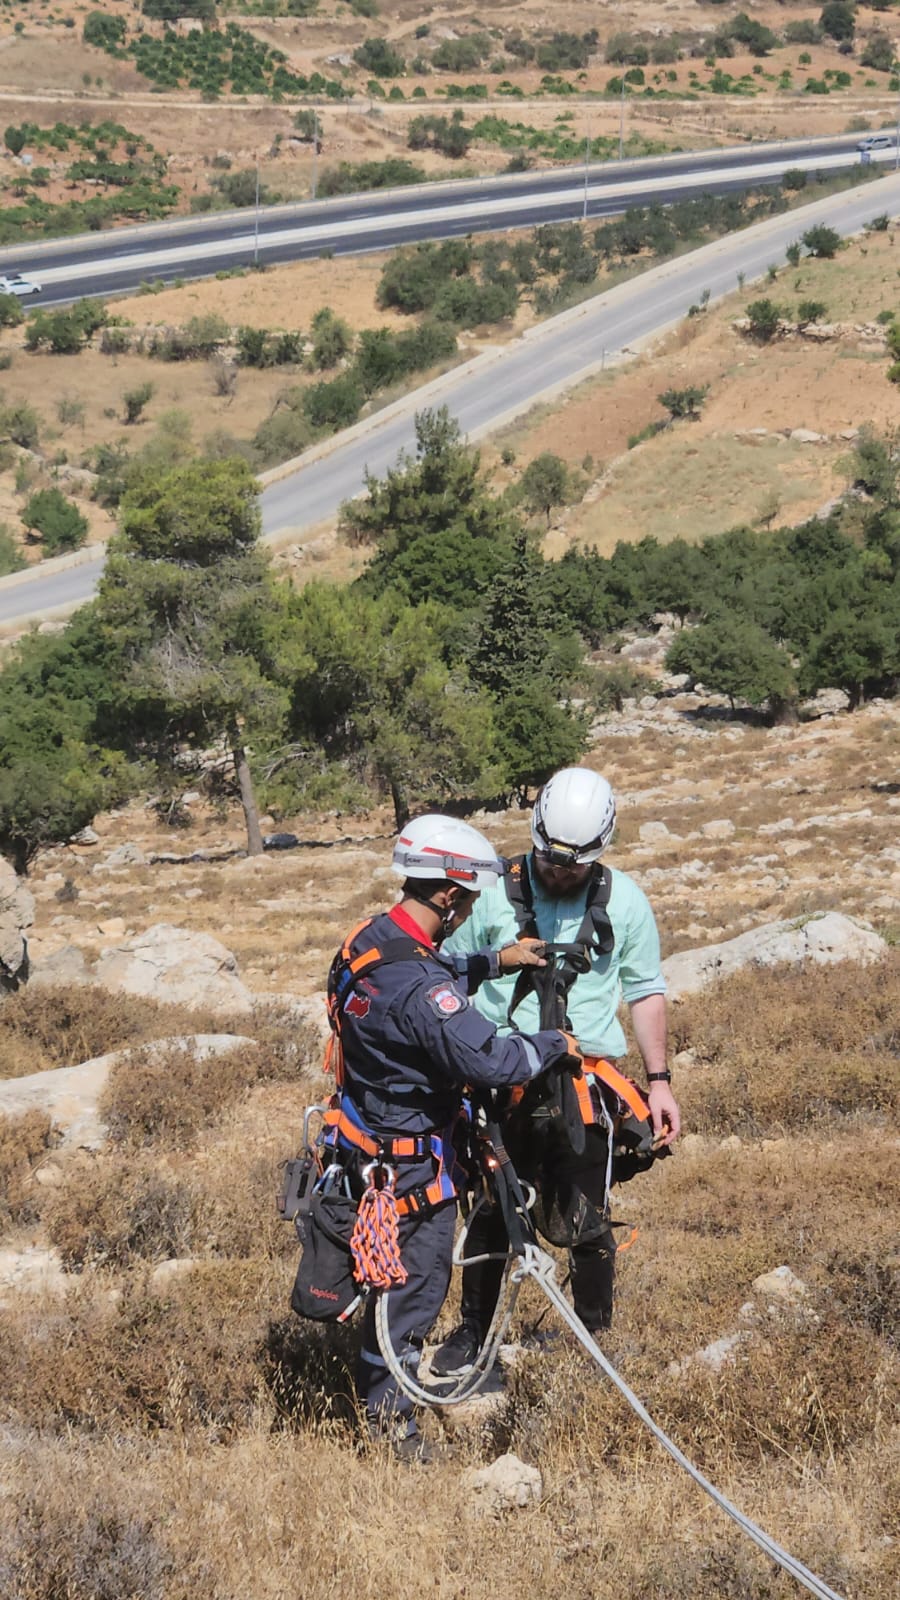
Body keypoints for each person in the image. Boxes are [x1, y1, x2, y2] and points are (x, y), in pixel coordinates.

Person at [324, 812, 580, 1461]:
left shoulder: (368, 941)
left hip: (365, 1145)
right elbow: (490, 1057)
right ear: (450, 894)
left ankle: (385, 1408)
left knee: (388, 1286)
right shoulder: (418, 983)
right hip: (410, 1171)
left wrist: (497, 960)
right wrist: (553, 1044)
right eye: (465, 902)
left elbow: (422, 977)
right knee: (409, 1296)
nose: (465, 913)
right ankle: (395, 1444)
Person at [433, 766, 681, 1377]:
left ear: (601, 849)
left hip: (583, 1083)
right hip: (500, 1077)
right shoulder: (489, 893)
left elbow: (645, 991)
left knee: (586, 1215)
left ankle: (593, 1340)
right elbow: (443, 976)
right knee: (492, 1207)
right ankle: (473, 1333)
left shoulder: (625, 902)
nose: (559, 872)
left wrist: (659, 1081)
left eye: (574, 865)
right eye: (549, 859)